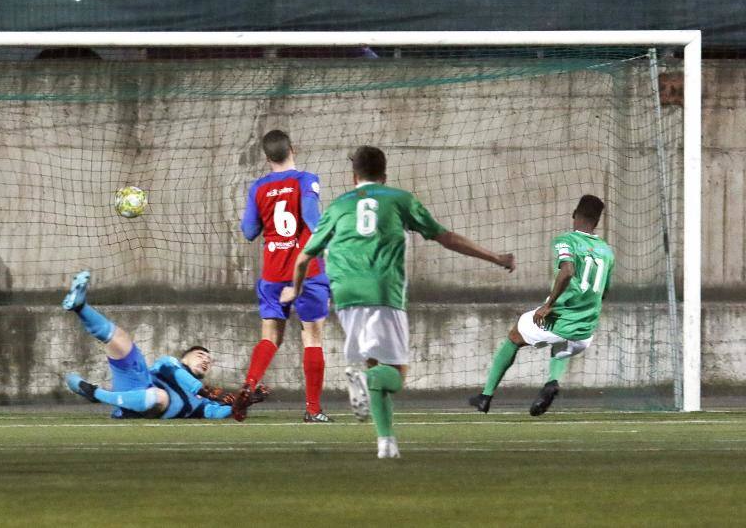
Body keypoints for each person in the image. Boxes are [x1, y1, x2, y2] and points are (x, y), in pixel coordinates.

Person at [280, 146, 515, 458]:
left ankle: (386, 443)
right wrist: (495, 257)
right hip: (383, 292)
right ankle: (363, 380)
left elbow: (304, 258)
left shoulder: (338, 206)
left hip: (346, 295)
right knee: (396, 375)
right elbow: (445, 237)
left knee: (376, 365)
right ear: (385, 175)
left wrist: (295, 291)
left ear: (354, 177)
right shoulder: (400, 199)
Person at [468, 195, 614, 416]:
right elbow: (604, 292)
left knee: (515, 336)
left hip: (561, 320)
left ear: (575, 213)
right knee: (562, 345)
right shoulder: (607, 251)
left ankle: (485, 396)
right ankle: (552, 383)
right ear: (597, 221)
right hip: (586, 331)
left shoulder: (566, 240)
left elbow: (567, 271)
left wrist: (550, 305)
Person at [62, 271, 260, 420]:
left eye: (209, 360)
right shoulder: (169, 365)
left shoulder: (204, 401)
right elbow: (184, 378)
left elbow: (216, 413)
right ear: (185, 357)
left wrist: (245, 402)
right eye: (200, 354)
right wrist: (205, 390)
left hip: (148, 403)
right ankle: (80, 307)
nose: (206, 360)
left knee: (159, 397)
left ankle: (96, 393)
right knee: (122, 340)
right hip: (136, 384)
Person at [239, 130, 332, 423]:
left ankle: (248, 385)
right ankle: (313, 410)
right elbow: (311, 217)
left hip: (272, 271)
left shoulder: (258, 187)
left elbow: (248, 231)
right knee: (312, 338)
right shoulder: (306, 179)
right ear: (293, 148)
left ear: (266, 157)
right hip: (307, 272)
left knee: (270, 336)